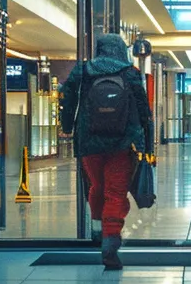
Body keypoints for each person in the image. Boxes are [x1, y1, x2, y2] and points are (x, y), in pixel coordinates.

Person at [59, 33, 154, 270]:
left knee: (97, 187)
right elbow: (143, 110)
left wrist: (68, 125)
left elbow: (68, 96)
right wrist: (147, 144)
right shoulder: (130, 73)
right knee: (115, 192)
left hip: (89, 142)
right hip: (122, 143)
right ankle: (110, 243)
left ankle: (97, 230)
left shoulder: (83, 71)